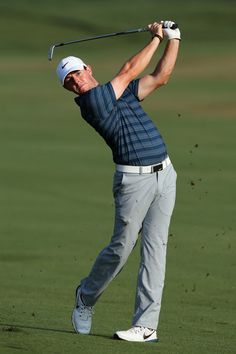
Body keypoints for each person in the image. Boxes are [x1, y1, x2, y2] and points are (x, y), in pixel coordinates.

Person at [56, 20, 180, 343]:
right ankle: (86, 296)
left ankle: (146, 326)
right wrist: (155, 38)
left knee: (156, 252)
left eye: (77, 74)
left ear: (88, 68)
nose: (76, 83)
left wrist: (174, 38)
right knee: (121, 249)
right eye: (69, 82)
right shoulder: (91, 104)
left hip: (165, 175)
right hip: (133, 182)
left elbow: (160, 77)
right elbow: (128, 69)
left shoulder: (121, 94)